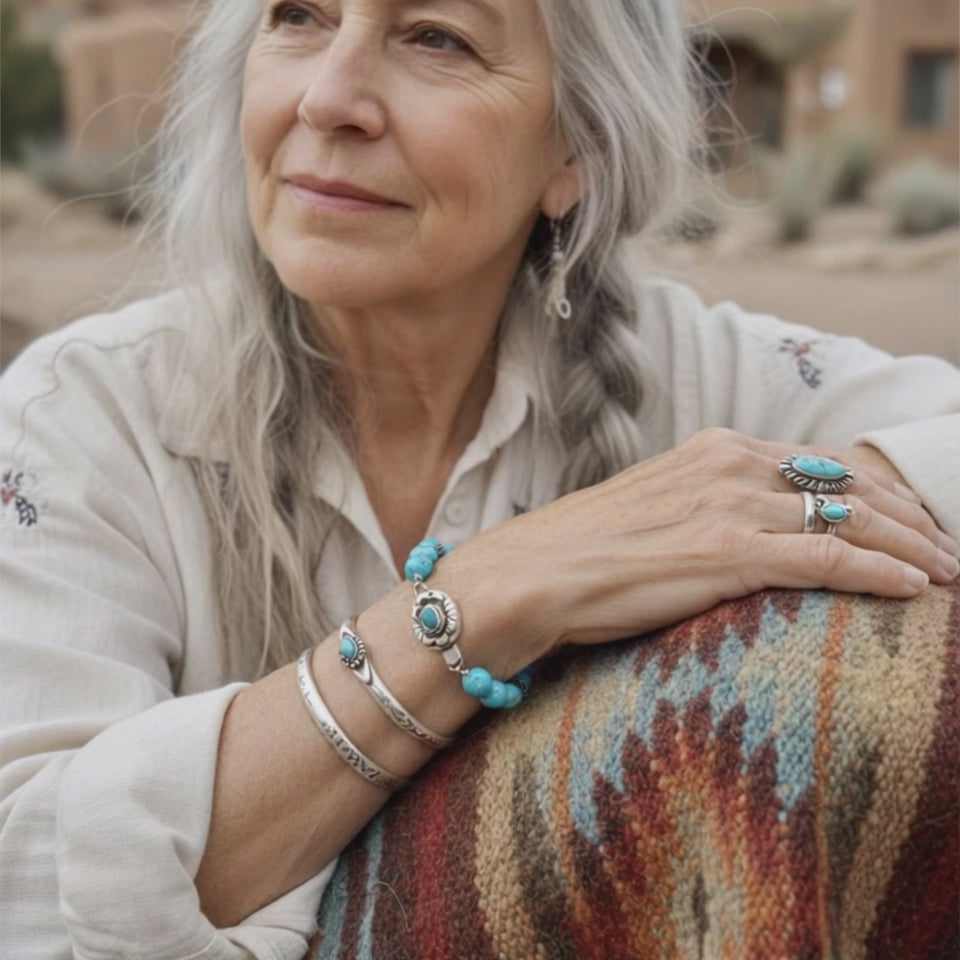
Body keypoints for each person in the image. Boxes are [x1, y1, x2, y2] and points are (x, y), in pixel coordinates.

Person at [2, 0, 958, 956]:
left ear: (575, 148)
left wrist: (796, 502)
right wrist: (487, 595)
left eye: (436, 38)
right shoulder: (81, 416)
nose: (329, 98)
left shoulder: (696, 376)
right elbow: (30, 889)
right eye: (297, 16)